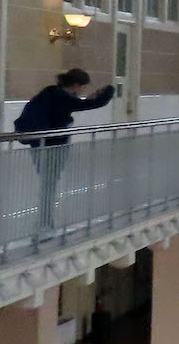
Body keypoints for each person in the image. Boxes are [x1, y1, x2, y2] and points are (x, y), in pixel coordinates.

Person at [14, 69, 115, 227]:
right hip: (52, 147)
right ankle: (45, 221)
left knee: (47, 182)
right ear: (76, 86)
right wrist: (110, 91)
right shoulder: (63, 99)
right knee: (49, 184)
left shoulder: (50, 92)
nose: (82, 91)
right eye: (82, 87)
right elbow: (95, 103)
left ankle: (45, 219)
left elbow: (71, 107)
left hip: (38, 145)